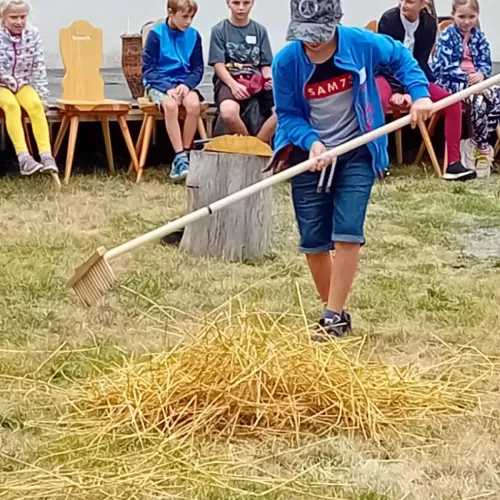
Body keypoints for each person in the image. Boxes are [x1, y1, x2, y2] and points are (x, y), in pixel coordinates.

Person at [270, 0, 434, 339]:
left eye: (318, 33)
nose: (311, 41)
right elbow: (287, 115)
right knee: (314, 241)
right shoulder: (286, 62)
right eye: (304, 34)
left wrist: (419, 95)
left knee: (347, 230)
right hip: (308, 155)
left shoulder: (361, 43)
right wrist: (312, 143)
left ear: (335, 23)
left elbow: (403, 60)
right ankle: (338, 314)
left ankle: (330, 317)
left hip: (357, 150)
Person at [376, 0, 475, 181]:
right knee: (377, 99)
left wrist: (413, 91)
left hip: (415, 79)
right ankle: (377, 162)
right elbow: (384, 62)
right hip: (386, 77)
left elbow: (420, 62)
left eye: (410, 1)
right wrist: (398, 91)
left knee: (452, 102)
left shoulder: (428, 24)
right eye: (402, 0)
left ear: (423, 3)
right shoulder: (389, 20)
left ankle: (453, 163)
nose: (403, 4)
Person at [433, 0, 498, 178]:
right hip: (452, 82)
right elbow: (443, 67)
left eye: (472, 17)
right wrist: (470, 81)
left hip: (477, 81)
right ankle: (483, 149)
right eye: (461, 16)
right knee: (478, 101)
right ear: (453, 15)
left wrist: (482, 75)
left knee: (497, 98)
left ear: (477, 16)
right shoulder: (446, 36)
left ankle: (476, 143)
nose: (467, 21)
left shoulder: (480, 37)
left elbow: (485, 63)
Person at [142, 0, 204, 182]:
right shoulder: (156, 35)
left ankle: (184, 154)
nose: (189, 21)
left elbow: (197, 69)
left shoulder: (194, 35)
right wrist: (167, 88)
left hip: (183, 83)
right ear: (170, 12)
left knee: (193, 105)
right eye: (184, 16)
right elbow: (148, 69)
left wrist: (187, 85)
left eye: (192, 17)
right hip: (160, 83)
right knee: (170, 106)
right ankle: (179, 155)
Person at [0, 0, 58, 176]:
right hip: (1, 84)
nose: (19, 21)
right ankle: (24, 157)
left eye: (22, 17)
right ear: (2, 17)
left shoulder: (32, 34)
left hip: (22, 82)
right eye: (13, 17)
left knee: (35, 105)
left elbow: (38, 65)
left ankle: (46, 155)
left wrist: (42, 95)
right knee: (11, 106)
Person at [208, 0, 276, 143]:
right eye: (236, 3)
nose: (241, 8)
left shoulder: (260, 30)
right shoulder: (219, 30)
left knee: (282, 111)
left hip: (257, 80)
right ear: (228, 3)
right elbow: (218, 65)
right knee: (228, 112)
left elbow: (265, 64)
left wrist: (268, 78)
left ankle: (259, 145)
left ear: (252, 3)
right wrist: (233, 85)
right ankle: (250, 145)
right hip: (229, 79)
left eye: (246, 3)